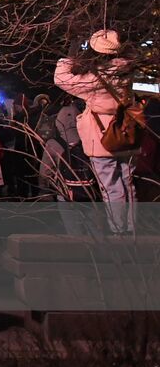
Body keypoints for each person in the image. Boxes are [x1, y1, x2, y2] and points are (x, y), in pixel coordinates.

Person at [55, 30, 137, 234]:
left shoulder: (94, 79)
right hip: (128, 133)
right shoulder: (128, 71)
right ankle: (133, 228)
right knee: (128, 183)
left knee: (110, 186)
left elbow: (62, 79)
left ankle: (119, 231)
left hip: (102, 137)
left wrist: (69, 57)